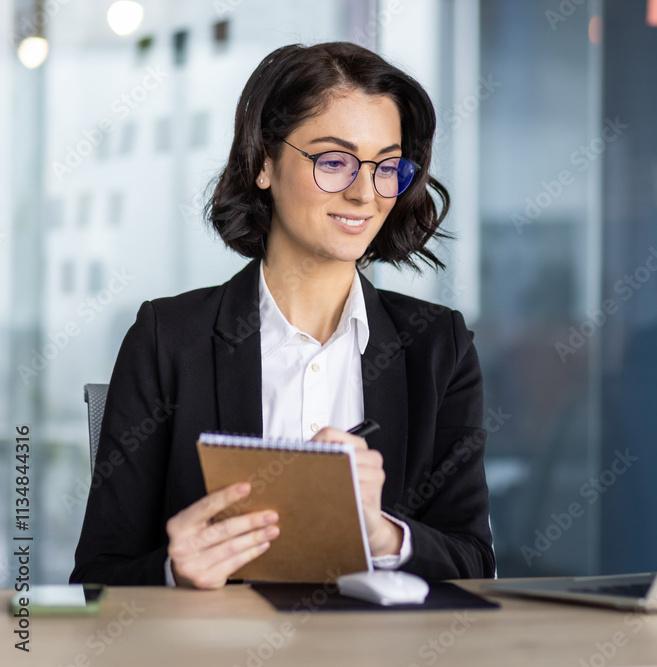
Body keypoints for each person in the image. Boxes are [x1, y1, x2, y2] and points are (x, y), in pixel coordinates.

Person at [70, 42, 495, 588]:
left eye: (386, 166)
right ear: (264, 164)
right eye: (335, 161)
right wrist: (175, 572)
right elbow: (97, 582)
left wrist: (381, 532)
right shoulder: (169, 339)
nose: (366, 193)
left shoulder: (438, 346)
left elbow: (476, 563)